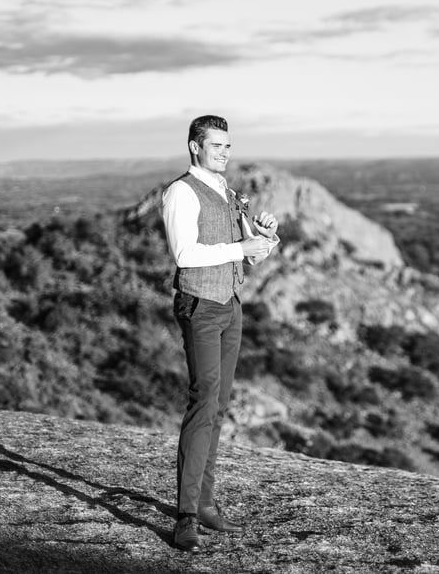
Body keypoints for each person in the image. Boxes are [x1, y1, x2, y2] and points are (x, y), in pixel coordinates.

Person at [160, 115, 279, 552]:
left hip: (230, 305)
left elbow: (251, 259)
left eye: (228, 146)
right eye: (216, 145)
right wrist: (242, 248)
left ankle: (206, 503)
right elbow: (185, 254)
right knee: (204, 400)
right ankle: (186, 515)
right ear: (195, 147)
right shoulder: (181, 192)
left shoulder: (226, 193)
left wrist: (264, 239)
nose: (224, 153)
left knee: (220, 405)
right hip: (200, 307)